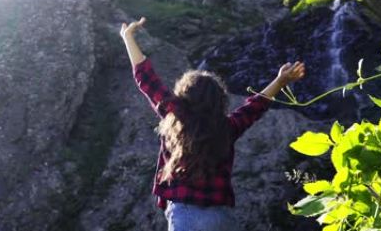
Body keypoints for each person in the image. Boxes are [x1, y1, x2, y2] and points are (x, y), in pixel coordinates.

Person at [120, 16, 305, 231]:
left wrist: (127, 38)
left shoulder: (175, 118)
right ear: (220, 101)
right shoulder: (227, 128)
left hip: (184, 215)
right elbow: (255, 106)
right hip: (220, 216)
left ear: (183, 96)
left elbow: (146, 78)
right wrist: (280, 81)